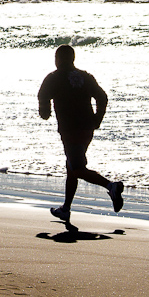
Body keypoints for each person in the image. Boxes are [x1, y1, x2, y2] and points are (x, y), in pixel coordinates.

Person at [38, 45, 124, 220]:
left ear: (58, 59)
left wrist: (45, 111)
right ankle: (66, 208)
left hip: (70, 129)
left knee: (76, 168)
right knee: (72, 167)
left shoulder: (53, 78)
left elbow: (43, 99)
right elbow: (102, 97)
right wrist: (98, 118)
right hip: (87, 127)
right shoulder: (85, 76)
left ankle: (111, 186)